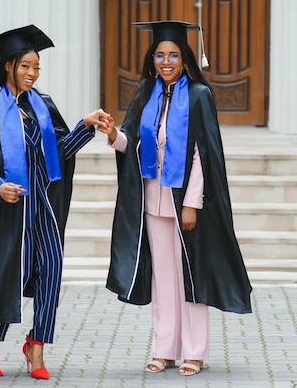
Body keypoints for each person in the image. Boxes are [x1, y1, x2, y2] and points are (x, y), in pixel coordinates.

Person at [98, 20, 253, 376]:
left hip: (184, 201)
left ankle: (195, 351)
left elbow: (203, 153)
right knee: (163, 277)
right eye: (159, 55)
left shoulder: (199, 95)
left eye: (173, 55)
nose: (165, 61)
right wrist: (112, 135)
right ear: (152, 58)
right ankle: (164, 347)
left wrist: (192, 202)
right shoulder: (145, 93)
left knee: (190, 275)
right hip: (152, 199)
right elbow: (132, 146)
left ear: (184, 59)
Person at [0, 24, 110, 380]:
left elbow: (59, 154)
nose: (32, 73)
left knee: (52, 270)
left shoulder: (42, 106)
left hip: (41, 204)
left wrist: (85, 126)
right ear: (8, 66)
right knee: (12, 273)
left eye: (37, 67)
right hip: (9, 209)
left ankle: (37, 346)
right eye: (25, 66)